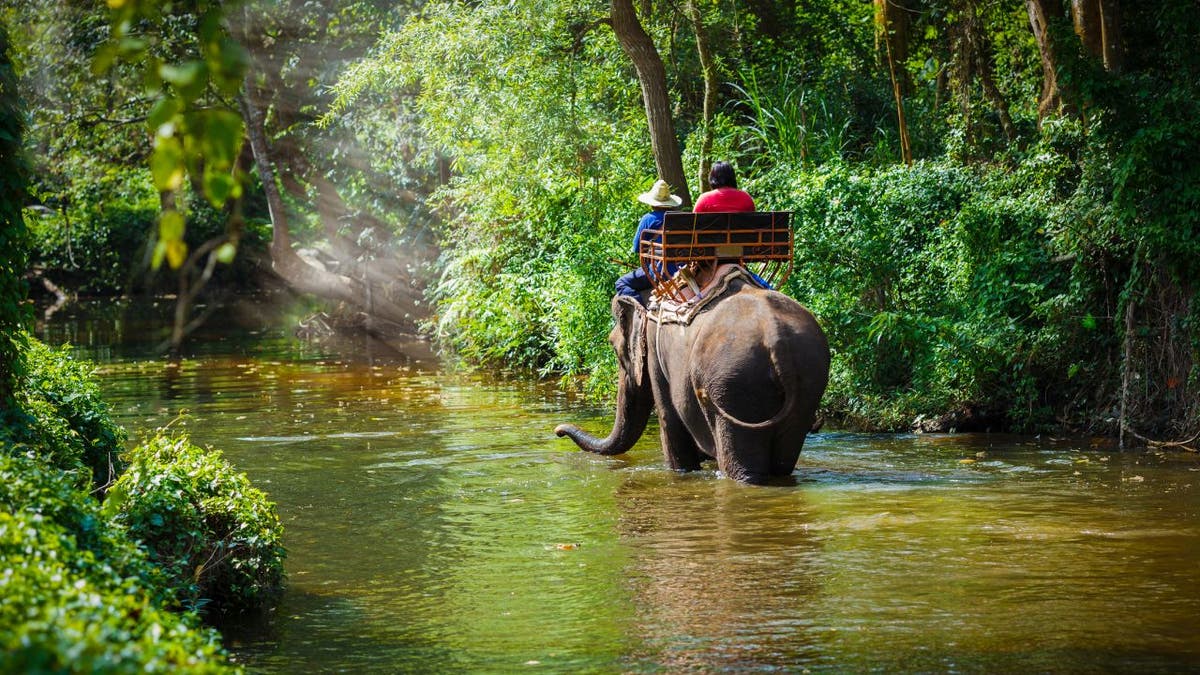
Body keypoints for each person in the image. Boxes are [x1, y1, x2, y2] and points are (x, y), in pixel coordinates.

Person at [692, 161, 771, 289]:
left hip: (709, 253)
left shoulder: (704, 199)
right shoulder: (746, 198)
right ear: (732, 177)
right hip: (739, 251)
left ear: (712, 178)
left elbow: (692, 228)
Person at [615, 179, 682, 302]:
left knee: (621, 283)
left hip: (660, 270)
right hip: (684, 268)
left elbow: (637, 248)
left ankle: (642, 313)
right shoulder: (681, 218)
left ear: (652, 203)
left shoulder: (648, 219)